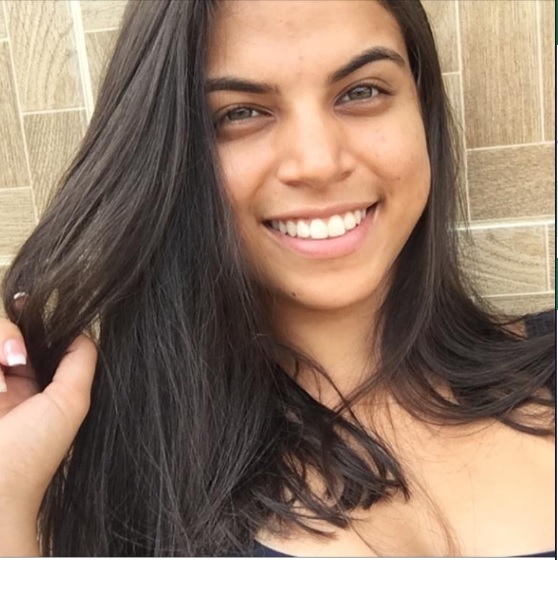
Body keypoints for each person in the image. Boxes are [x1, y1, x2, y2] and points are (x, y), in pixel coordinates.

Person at [0, 0, 554, 558]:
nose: (318, 162)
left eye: (362, 91)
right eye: (240, 113)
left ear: (421, 108)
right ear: (169, 157)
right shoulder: (135, 484)